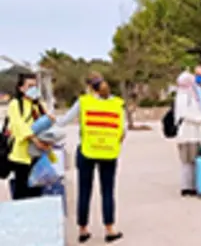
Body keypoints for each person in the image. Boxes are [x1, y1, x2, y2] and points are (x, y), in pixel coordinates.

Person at [58, 72, 125, 243]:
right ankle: (110, 229)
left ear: (88, 87)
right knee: (108, 191)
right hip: (109, 152)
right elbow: (122, 131)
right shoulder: (117, 104)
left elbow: (64, 121)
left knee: (84, 190)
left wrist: (48, 118)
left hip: (87, 151)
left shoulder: (83, 102)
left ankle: (83, 230)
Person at [6, 73, 51, 200]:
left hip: (38, 155)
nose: (33, 89)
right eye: (30, 86)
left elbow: (48, 124)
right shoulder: (15, 104)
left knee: (37, 192)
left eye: (35, 86)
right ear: (21, 88)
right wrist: (34, 139)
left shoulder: (40, 105)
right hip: (21, 156)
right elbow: (18, 125)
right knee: (21, 192)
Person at [174, 71, 201, 196]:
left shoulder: (192, 96)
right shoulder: (183, 96)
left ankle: (194, 185)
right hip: (187, 134)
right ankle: (187, 187)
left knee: (194, 161)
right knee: (187, 161)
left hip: (195, 134)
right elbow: (185, 114)